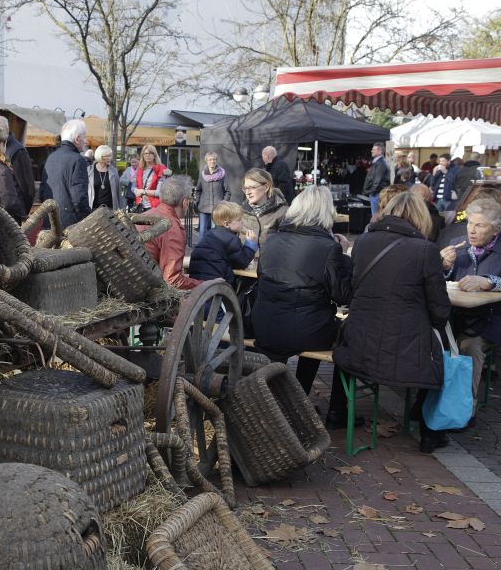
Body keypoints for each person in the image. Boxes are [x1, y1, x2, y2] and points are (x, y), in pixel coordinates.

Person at [334, 190, 452, 453]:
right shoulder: (426, 250)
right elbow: (440, 310)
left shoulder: (363, 241)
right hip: (403, 350)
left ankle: (338, 410)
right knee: (444, 354)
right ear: (420, 217)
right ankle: (430, 432)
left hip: (358, 343)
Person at [250, 186, 354, 428]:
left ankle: (296, 400)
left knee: (317, 323)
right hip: (305, 330)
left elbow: (261, 276)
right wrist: (344, 255)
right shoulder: (328, 247)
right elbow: (343, 295)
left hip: (265, 324)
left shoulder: (272, 240)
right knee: (348, 337)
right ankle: (336, 411)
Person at [440, 198, 501, 423]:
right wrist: (444, 266)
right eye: (470, 223)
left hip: (493, 319)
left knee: (469, 346)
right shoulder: (458, 245)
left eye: (480, 225)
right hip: (457, 316)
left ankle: (464, 409)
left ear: (496, 229)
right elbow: (441, 281)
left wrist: (488, 281)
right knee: (432, 340)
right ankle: (431, 401)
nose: (471, 230)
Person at [138, 175, 201, 290]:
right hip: (147, 290)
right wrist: (204, 285)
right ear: (185, 202)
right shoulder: (172, 228)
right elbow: (172, 280)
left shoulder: (144, 216)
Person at [188, 201, 257, 288]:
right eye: (239, 220)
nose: (242, 222)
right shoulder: (231, 239)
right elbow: (241, 263)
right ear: (226, 224)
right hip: (217, 282)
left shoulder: (209, 234)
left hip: (198, 280)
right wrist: (251, 245)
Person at [39, 119, 90, 227]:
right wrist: (88, 217)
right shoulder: (78, 160)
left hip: (49, 221)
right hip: (69, 224)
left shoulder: (50, 158)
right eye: (84, 137)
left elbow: (42, 193)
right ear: (77, 139)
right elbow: (79, 198)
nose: (86, 141)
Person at [0, 115, 35, 214]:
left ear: (7, 129)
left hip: (12, 213)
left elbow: (27, 188)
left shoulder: (17, 151)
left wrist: (21, 211)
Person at [240, 168, 288, 252]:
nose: (248, 192)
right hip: (246, 261)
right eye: (245, 188)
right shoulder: (241, 213)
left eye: (252, 187)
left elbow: (288, 247)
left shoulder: (284, 213)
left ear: (266, 187)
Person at [194, 151, 232, 239]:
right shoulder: (202, 175)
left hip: (217, 209)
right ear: (206, 161)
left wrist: (223, 204)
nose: (212, 161)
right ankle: (202, 247)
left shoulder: (222, 175)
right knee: (202, 230)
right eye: (210, 159)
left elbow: (228, 192)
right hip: (204, 207)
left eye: (214, 159)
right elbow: (198, 190)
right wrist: (197, 202)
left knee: (215, 231)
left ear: (216, 160)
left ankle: (214, 247)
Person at [134, 144, 169, 212]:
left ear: (154, 155)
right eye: (146, 153)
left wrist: (143, 192)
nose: (148, 155)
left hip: (154, 206)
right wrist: (137, 191)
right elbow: (133, 186)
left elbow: (159, 192)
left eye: (150, 153)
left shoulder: (161, 169)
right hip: (140, 205)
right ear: (143, 155)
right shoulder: (139, 169)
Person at [87, 145, 121, 211]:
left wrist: (120, 208)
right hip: (93, 209)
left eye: (110, 155)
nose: (109, 158)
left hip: (110, 209)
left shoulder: (114, 171)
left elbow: (118, 191)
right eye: (106, 156)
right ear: (99, 156)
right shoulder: (89, 170)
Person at [363, 143, 390, 215]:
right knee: (376, 215)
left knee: (376, 216)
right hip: (376, 193)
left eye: (374, 149)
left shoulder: (381, 163)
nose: (371, 151)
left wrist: (372, 192)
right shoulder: (378, 162)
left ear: (380, 151)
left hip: (376, 193)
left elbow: (377, 180)